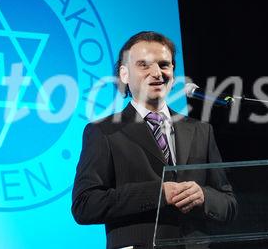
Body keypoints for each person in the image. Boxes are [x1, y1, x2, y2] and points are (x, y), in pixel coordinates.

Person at [72, 31, 237, 249]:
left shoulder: (200, 130)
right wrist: (158, 193)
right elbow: (85, 205)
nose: (157, 73)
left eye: (164, 65)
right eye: (144, 65)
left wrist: (204, 196)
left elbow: (229, 205)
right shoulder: (103, 132)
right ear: (124, 74)